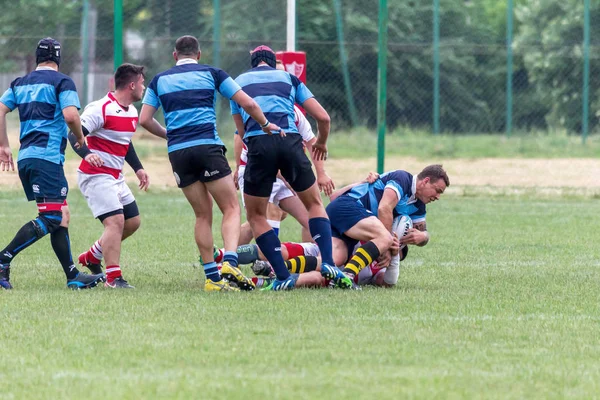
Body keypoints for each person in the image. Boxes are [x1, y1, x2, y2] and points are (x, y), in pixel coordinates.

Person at [139, 35, 282, 292]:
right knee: (230, 208)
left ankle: (211, 279)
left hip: (178, 153)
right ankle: (229, 261)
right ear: (199, 54)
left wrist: (169, 134)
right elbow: (247, 102)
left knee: (202, 215)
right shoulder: (213, 73)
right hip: (207, 147)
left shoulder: (159, 80)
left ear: (175, 55)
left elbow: (145, 119)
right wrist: (264, 123)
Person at [231, 45, 352, 291]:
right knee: (315, 205)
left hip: (258, 145)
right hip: (290, 143)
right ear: (275, 62)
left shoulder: (238, 82)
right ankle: (328, 263)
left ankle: (283, 275)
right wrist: (322, 142)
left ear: (253, 63)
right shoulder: (289, 78)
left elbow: (241, 133)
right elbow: (324, 118)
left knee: (256, 216)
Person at [0, 38, 105, 289]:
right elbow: (70, 115)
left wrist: (4, 145)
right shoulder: (62, 82)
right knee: (52, 218)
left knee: (62, 215)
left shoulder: (19, 83)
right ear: (58, 58)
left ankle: (73, 276)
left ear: (37, 57)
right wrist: (80, 137)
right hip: (46, 159)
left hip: (27, 157)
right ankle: (3, 259)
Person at [68, 63, 149, 289]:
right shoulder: (100, 108)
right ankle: (113, 279)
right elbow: (73, 135)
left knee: (132, 222)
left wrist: (138, 168)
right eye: (142, 83)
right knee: (115, 222)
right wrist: (87, 154)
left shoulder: (132, 112)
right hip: (95, 176)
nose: (144, 87)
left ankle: (92, 256)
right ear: (131, 85)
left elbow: (125, 143)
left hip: (116, 177)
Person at [326, 165, 450, 282]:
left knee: (334, 260)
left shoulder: (419, 205)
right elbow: (384, 208)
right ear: (425, 181)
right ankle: (348, 275)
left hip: (351, 222)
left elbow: (423, 231)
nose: (438, 197)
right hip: (348, 207)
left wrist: (423, 237)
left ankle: (307, 265)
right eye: (437, 190)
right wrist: (385, 249)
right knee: (386, 239)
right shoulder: (402, 178)